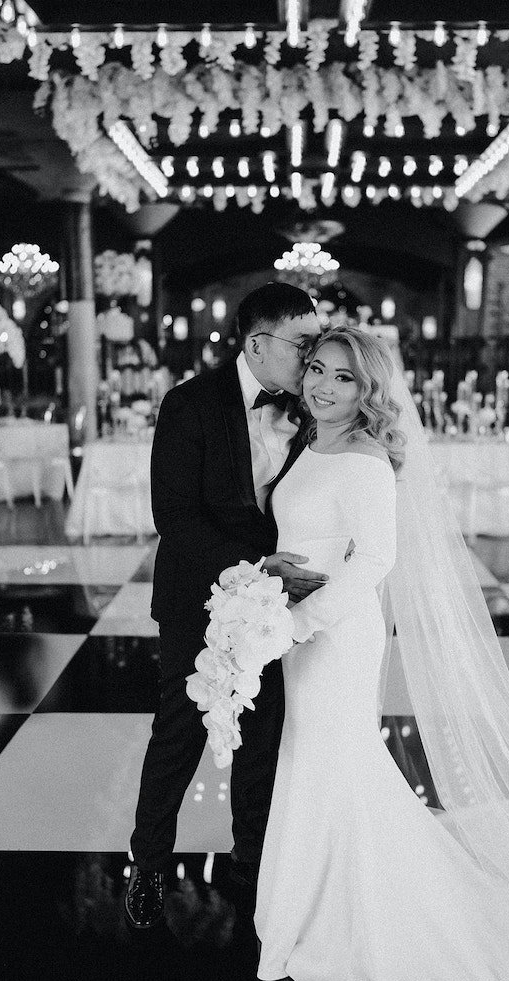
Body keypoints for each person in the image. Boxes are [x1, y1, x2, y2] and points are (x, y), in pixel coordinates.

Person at [254, 326, 509, 981]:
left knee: (336, 760)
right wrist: (271, 577)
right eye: (318, 371)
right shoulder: (311, 442)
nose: (324, 386)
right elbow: (308, 532)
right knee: (314, 761)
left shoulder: (363, 459)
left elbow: (376, 560)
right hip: (299, 627)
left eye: (344, 378)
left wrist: (300, 623)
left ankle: (349, 909)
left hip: (335, 634)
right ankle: (308, 901)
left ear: (369, 391)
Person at [124, 282, 325, 929]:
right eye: (303, 343)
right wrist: (251, 571)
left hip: (275, 605)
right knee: (178, 736)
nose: (312, 356)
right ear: (258, 343)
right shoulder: (190, 405)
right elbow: (173, 516)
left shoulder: (310, 408)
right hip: (197, 599)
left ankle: (253, 861)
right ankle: (149, 866)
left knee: (263, 737)